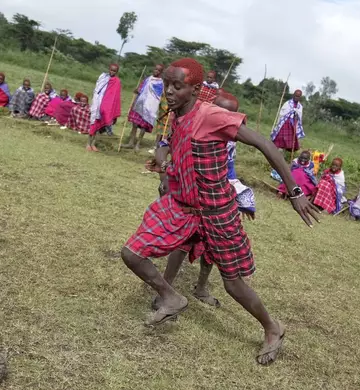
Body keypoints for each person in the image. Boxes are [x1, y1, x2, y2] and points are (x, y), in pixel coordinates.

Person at [122, 58, 320, 366]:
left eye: (178, 86)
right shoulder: (176, 116)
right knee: (131, 253)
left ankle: (272, 328)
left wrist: (295, 191)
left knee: (233, 284)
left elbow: (266, 144)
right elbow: (166, 146)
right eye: (167, 85)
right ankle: (171, 296)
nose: (169, 92)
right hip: (183, 206)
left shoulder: (212, 116)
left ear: (196, 89)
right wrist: (163, 162)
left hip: (216, 212)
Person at [154, 91, 257, 310]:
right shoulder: (193, 125)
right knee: (182, 244)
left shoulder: (232, 137)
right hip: (189, 194)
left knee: (212, 249)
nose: (225, 118)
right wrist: (165, 174)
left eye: (231, 114)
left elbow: (229, 170)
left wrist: (242, 198)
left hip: (215, 202)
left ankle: (201, 287)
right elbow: (165, 147)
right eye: (221, 112)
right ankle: (165, 289)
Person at [123, 64, 165, 152]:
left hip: (149, 107)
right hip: (140, 104)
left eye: (158, 70)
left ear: (161, 72)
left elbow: (157, 96)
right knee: (134, 124)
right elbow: (141, 89)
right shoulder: (147, 79)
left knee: (143, 126)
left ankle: (138, 144)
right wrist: (137, 90)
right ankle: (131, 142)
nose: (156, 71)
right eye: (155, 69)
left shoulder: (160, 83)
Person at [87, 64, 122, 152]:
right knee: (93, 123)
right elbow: (96, 90)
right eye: (111, 70)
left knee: (99, 126)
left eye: (114, 71)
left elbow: (115, 96)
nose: (112, 72)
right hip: (97, 102)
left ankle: (93, 144)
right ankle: (88, 143)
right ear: (108, 69)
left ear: (117, 72)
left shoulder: (117, 81)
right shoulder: (103, 77)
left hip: (106, 106)